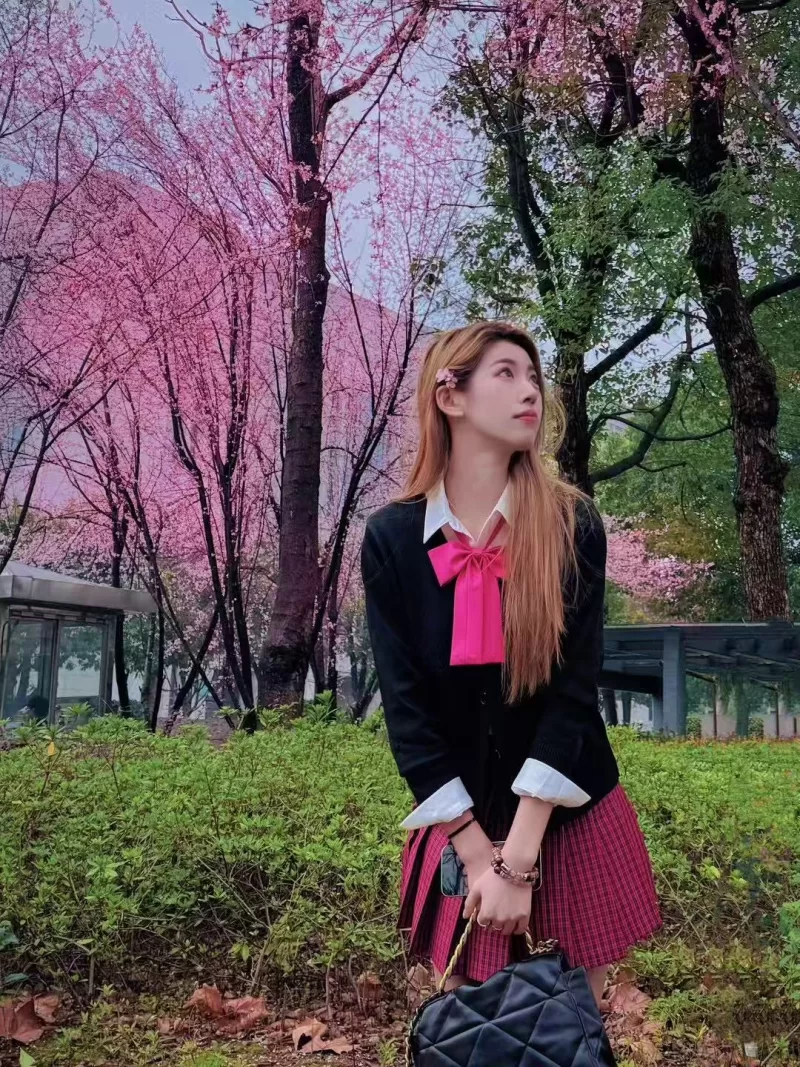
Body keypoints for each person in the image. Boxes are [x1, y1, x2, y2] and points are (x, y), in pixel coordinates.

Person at [360, 321, 662, 1011]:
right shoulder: (393, 540)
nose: (531, 391)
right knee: (468, 1023)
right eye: (506, 373)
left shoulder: (572, 525)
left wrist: (519, 858)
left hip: (568, 814)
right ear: (450, 397)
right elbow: (407, 713)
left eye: (534, 377)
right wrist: (475, 857)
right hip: (457, 819)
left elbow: (573, 693)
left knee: (570, 1025)